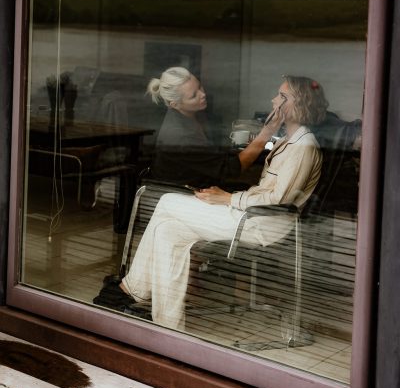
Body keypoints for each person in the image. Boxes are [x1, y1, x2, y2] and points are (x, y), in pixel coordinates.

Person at [95, 76, 328, 330]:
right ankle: (168, 326)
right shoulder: (287, 140)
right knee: (168, 231)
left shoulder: (304, 146)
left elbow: (276, 201)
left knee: (166, 201)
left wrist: (227, 198)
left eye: (282, 97)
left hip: (261, 224)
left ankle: (131, 289)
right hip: (250, 214)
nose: (273, 100)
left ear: (299, 105)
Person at [146, 66, 279, 187]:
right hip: (184, 197)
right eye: (193, 96)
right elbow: (230, 169)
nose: (202, 95)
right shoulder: (181, 137)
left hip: (204, 183)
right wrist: (266, 133)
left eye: (200, 86)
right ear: (174, 104)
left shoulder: (195, 113)